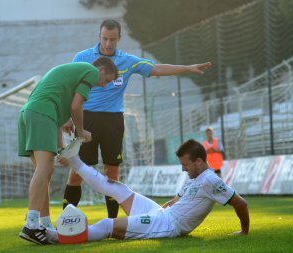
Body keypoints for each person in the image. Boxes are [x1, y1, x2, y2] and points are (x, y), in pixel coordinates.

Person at [63, 19, 213, 219]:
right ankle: (65, 219)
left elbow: (157, 68)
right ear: (99, 36)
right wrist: (68, 117)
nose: (108, 44)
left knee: (112, 174)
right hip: (86, 118)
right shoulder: (82, 57)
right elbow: (70, 87)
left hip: (113, 121)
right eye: (105, 38)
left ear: (119, 39)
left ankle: (113, 223)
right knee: (77, 173)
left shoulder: (127, 60)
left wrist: (187, 67)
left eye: (113, 40)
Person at [45, 138, 249, 244]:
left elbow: (240, 203)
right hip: (162, 215)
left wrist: (244, 231)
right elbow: (176, 201)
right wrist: (153, 213)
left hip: (169, 226)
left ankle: (57, 237)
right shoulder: (193, 176)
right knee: (119, 189)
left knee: (109, 225)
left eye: (185, 164)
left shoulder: (212, 180)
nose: (182, 169)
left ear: (199, 161)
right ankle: (74, 159)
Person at [18, 56, 118, 245]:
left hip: (29, 113)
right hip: (41, 113)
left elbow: (57, 119)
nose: (104, 86)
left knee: (46, 171)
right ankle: (30, 224)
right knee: (44, 169)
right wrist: (81, 132)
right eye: (107, 81)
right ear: (102, 70)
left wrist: (61, 149)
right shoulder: (91, 71)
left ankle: (45, 226)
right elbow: (76, 106)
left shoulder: (69, 79)